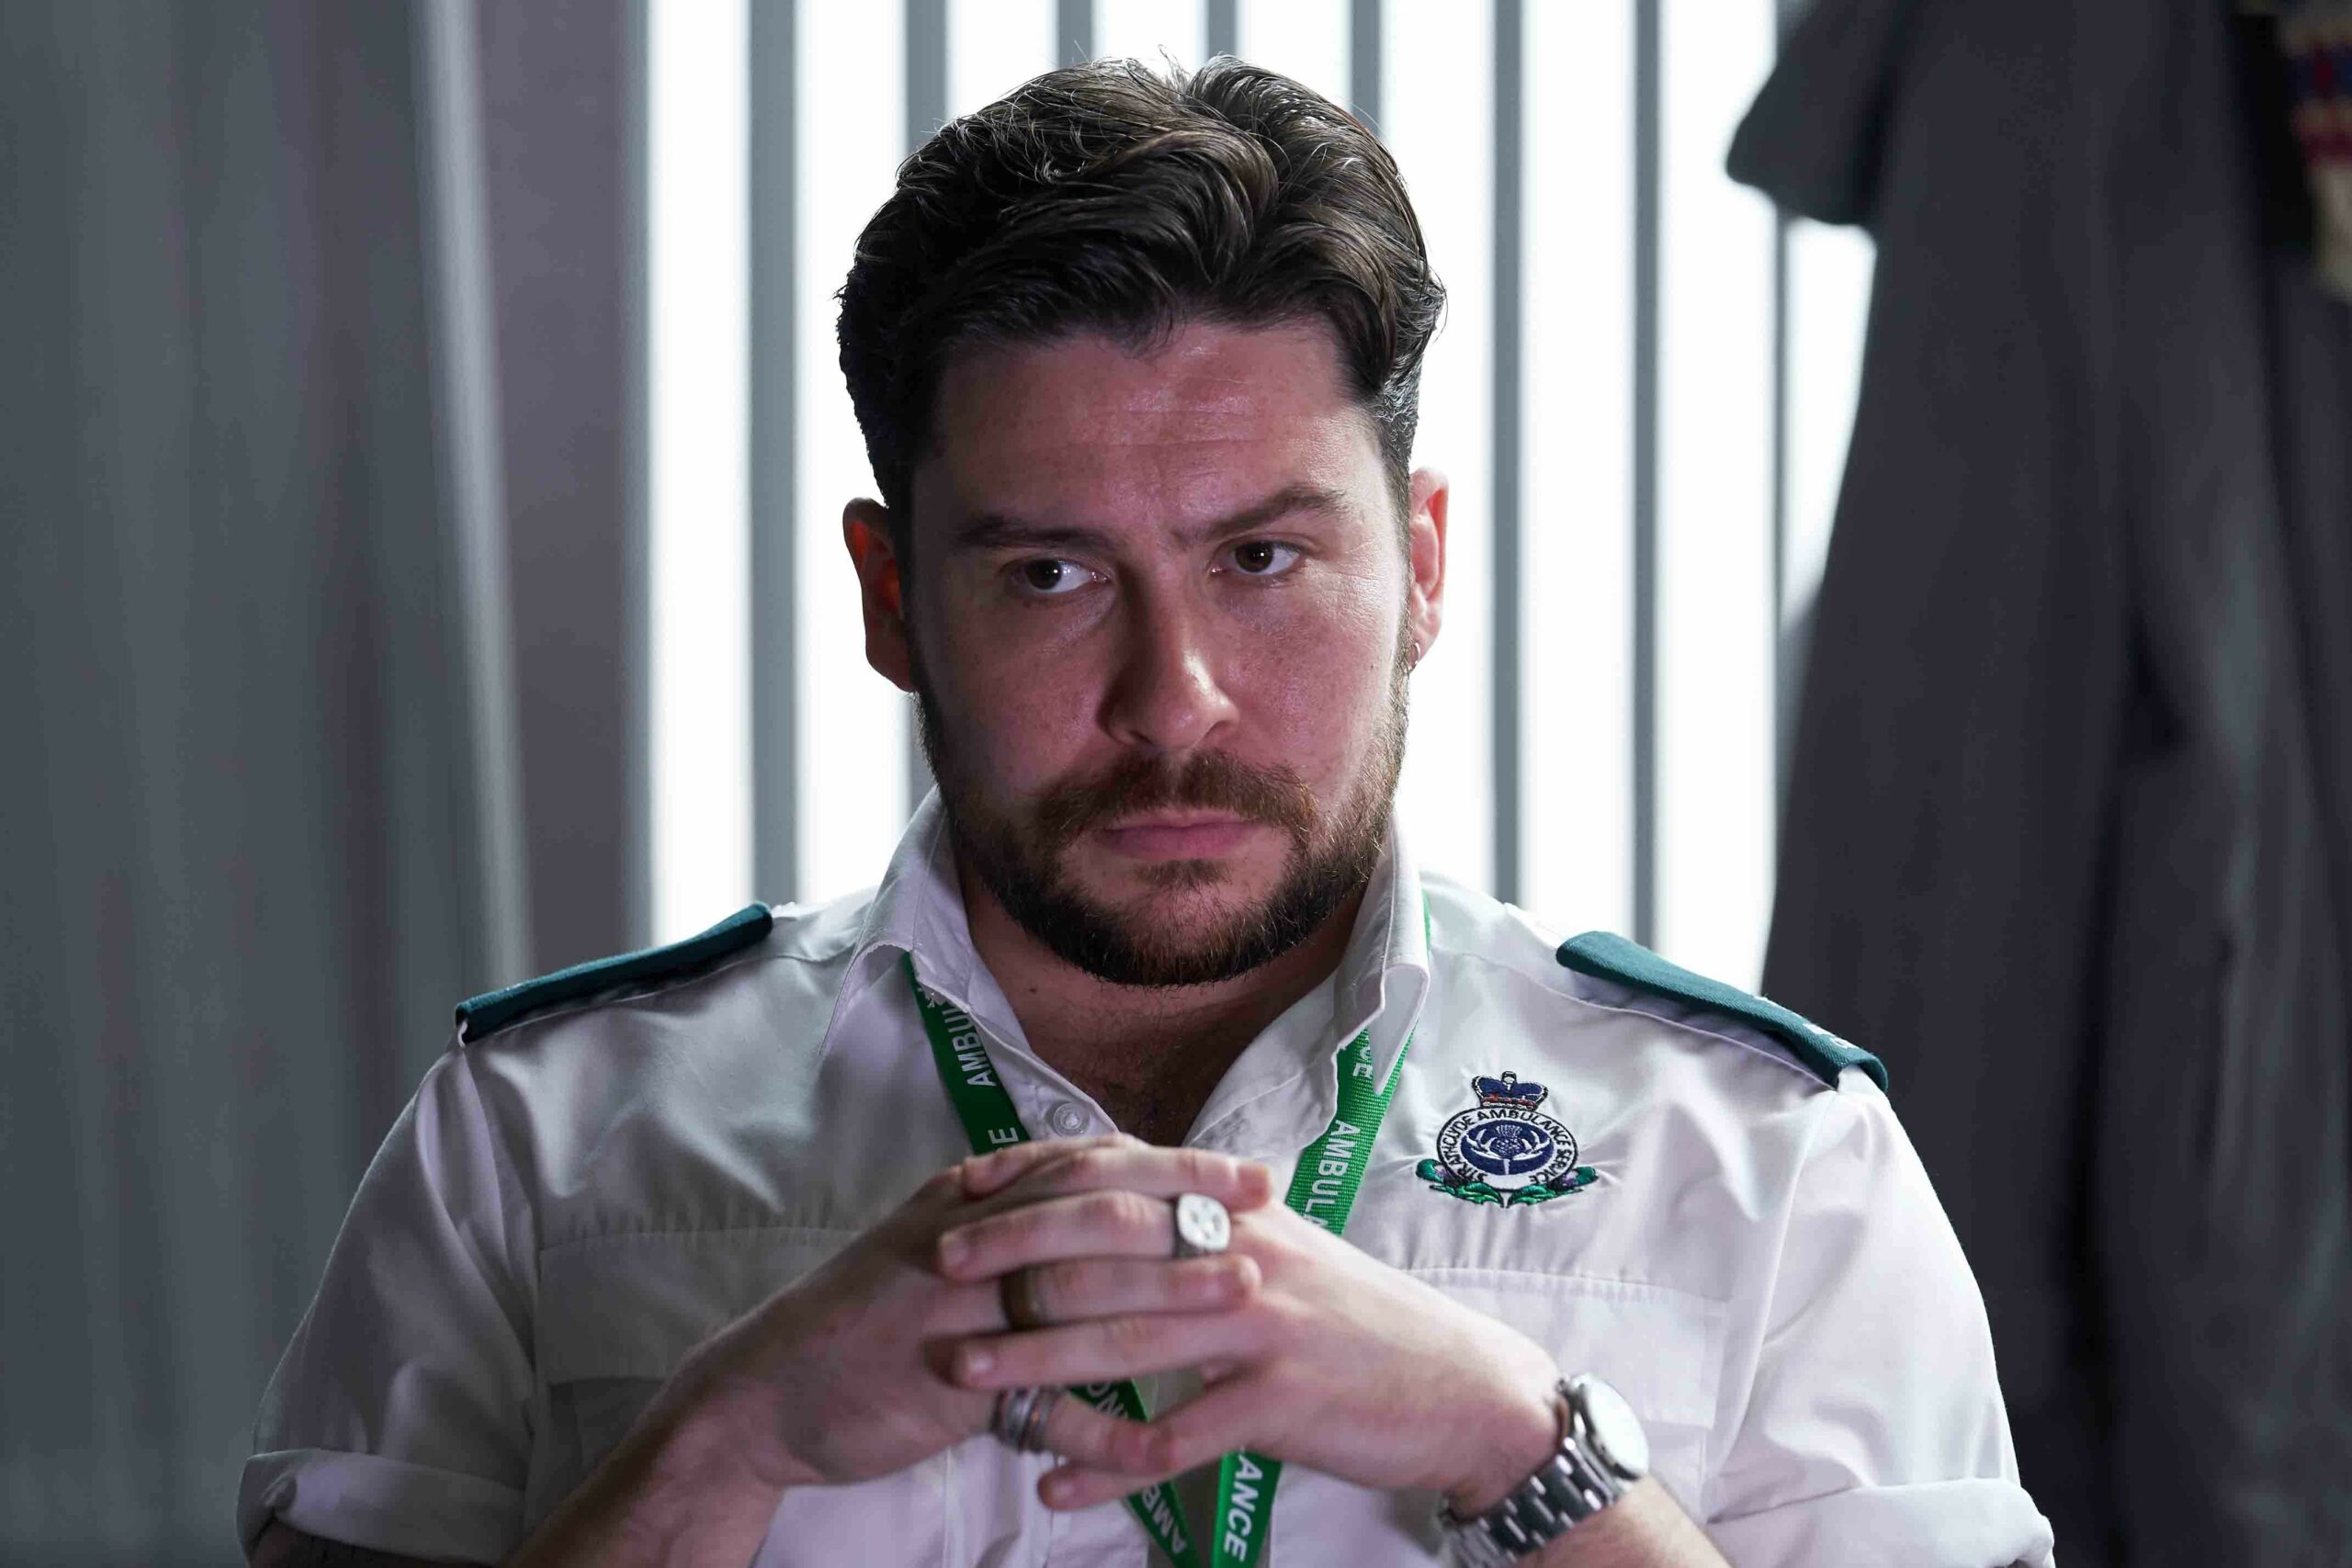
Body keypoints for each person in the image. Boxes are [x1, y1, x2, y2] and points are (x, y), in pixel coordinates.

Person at [240, 58, 2053, 1568]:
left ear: (1420, 563)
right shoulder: (529, 1148)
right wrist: (728, 1437)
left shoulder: (1763, 1163)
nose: (1169, 694)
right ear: (890, 601)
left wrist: (1520, 1446)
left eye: (1261, 557)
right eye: (1046, 575)